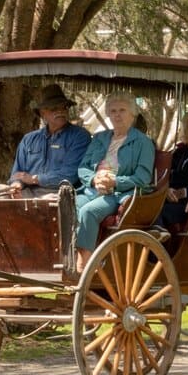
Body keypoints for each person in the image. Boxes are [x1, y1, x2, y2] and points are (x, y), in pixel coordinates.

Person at [72, 93, 157, 263]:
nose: (117, 115)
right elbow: (83, 167)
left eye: (122, 110)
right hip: (92, 189)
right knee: (66, 206)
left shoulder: (143, 142)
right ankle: (66, 258)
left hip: (118, 194)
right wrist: (94, 179)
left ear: (133, 114)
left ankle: (84, 264)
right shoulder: (99, 138)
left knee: (88, 212)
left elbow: (143, 178)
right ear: (108, 114)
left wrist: (115, 182)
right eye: (113, 111)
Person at [0, 85, 91, 199]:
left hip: (59, 193)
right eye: (54, 108)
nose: (60, 111)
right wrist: (17, 184)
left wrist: (34, 179)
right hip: (28, 192)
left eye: (64, 107)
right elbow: (17, 173)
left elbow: (69, 176)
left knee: (48, 201)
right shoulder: (28, 139)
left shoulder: (79, 136)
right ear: (42, 113)